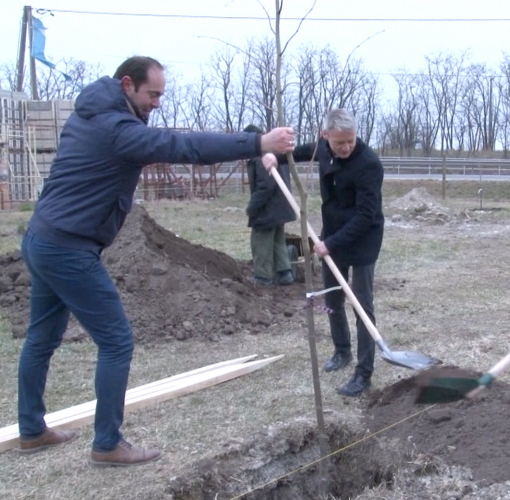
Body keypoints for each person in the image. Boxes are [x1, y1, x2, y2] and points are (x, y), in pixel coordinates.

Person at [17, 56, 295, 466]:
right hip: (69, 249)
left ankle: (31, 430)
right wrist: (257, 143)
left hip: (42, 238)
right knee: (116, 341)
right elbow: (182, 146)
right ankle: (107, 443)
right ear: (127, 84)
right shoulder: (116, 129)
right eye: (153, 94)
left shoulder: (91, 113)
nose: (158, 103)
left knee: (41, 338)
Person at [262, 108, 384, 397]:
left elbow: (366, 216)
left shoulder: (369, 164)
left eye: (350, 141)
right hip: (332, 235)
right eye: (339, 142)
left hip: (362, 239)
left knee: (362, 305)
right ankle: (342, 351)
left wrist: (331, 243)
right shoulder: (323, 150)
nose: (345, 147)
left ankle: (364, 373)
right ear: (325, 136)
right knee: (332, 299)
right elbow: (297, 152)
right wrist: (274, 156)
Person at [243, 124, 296, 286]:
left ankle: (263, 277)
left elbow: (265, 186)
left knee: (261, 242)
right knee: (277, 240)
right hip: (281, 208)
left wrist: (252, 208)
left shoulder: (261, 157)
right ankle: (284, 273)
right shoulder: (274, 153)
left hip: (268, 210)